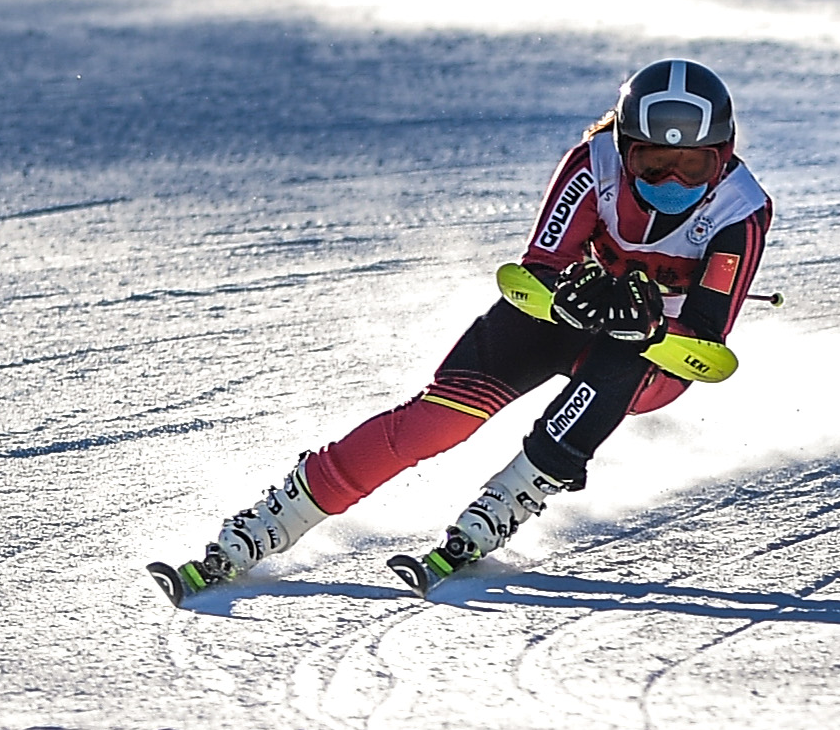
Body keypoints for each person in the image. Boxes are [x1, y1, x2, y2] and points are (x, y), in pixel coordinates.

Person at [152, 59, 771, 601]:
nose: (672, 181)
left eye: (694, 166)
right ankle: (276, 516)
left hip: (653, 356)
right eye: (654, 162)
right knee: (437, 419)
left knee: (615, 367)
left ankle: (509, 498)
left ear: (725, 155)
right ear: (623, 144)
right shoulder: (594, 165)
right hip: (564, 315)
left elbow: (704, 352)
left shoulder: (739, 211)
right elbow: (532, 278)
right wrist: (570, 302)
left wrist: (643, 327)